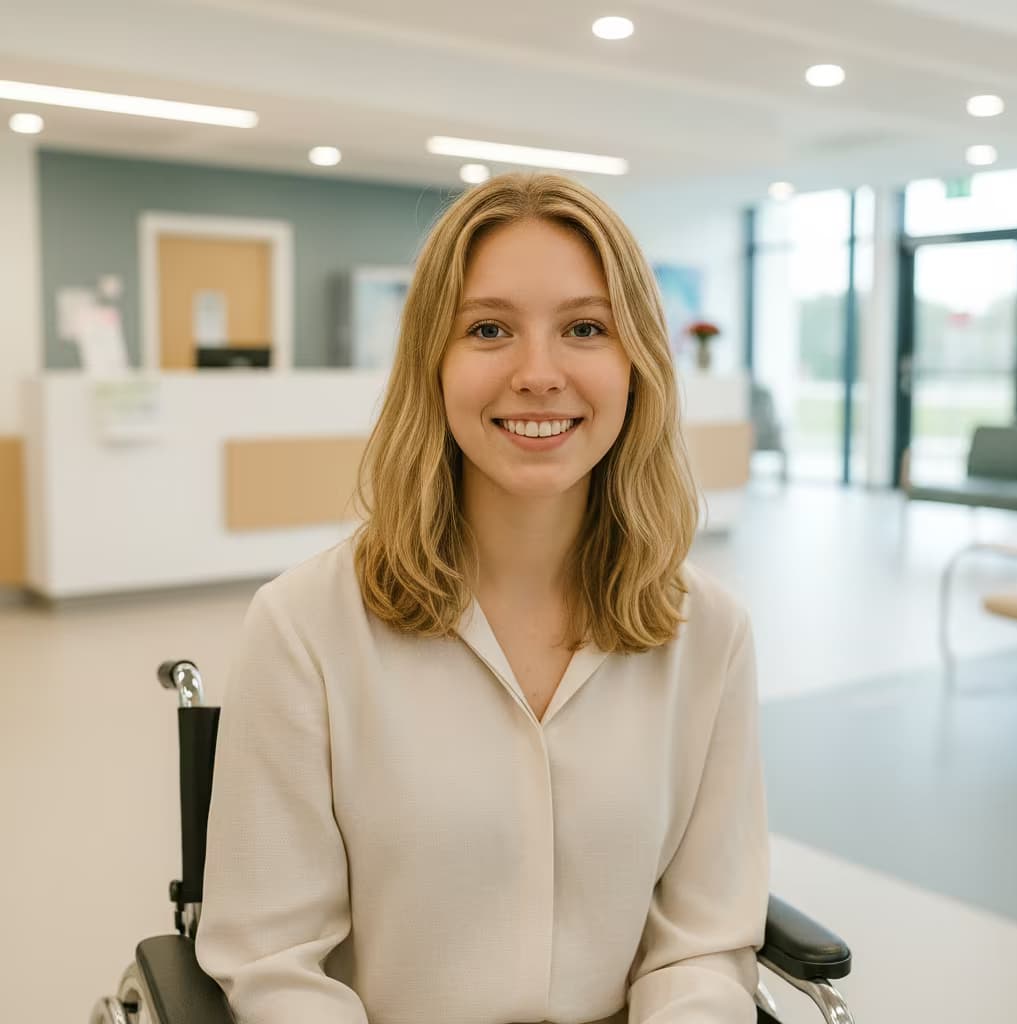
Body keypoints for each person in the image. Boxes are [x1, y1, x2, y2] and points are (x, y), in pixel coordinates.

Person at [194, 172, 769, 1024]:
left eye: (585, 328)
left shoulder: (709, 633)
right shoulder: (304, 628)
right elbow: (277, 967)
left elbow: (702, 946)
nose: (539, 374)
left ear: (637, 360)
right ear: (433, 359)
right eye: (489, 329)